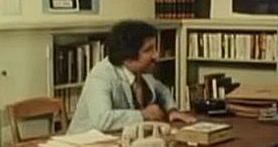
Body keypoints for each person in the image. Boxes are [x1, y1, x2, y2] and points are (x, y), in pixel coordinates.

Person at [68, 20, 196, 134]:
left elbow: (162, 90)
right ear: (127, 57)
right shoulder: (101, 76)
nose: (156, 55)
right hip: (84, 146)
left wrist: (172, 110)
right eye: (148, 50)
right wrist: (143, 115)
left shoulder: (140, 72)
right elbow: (102, 120)